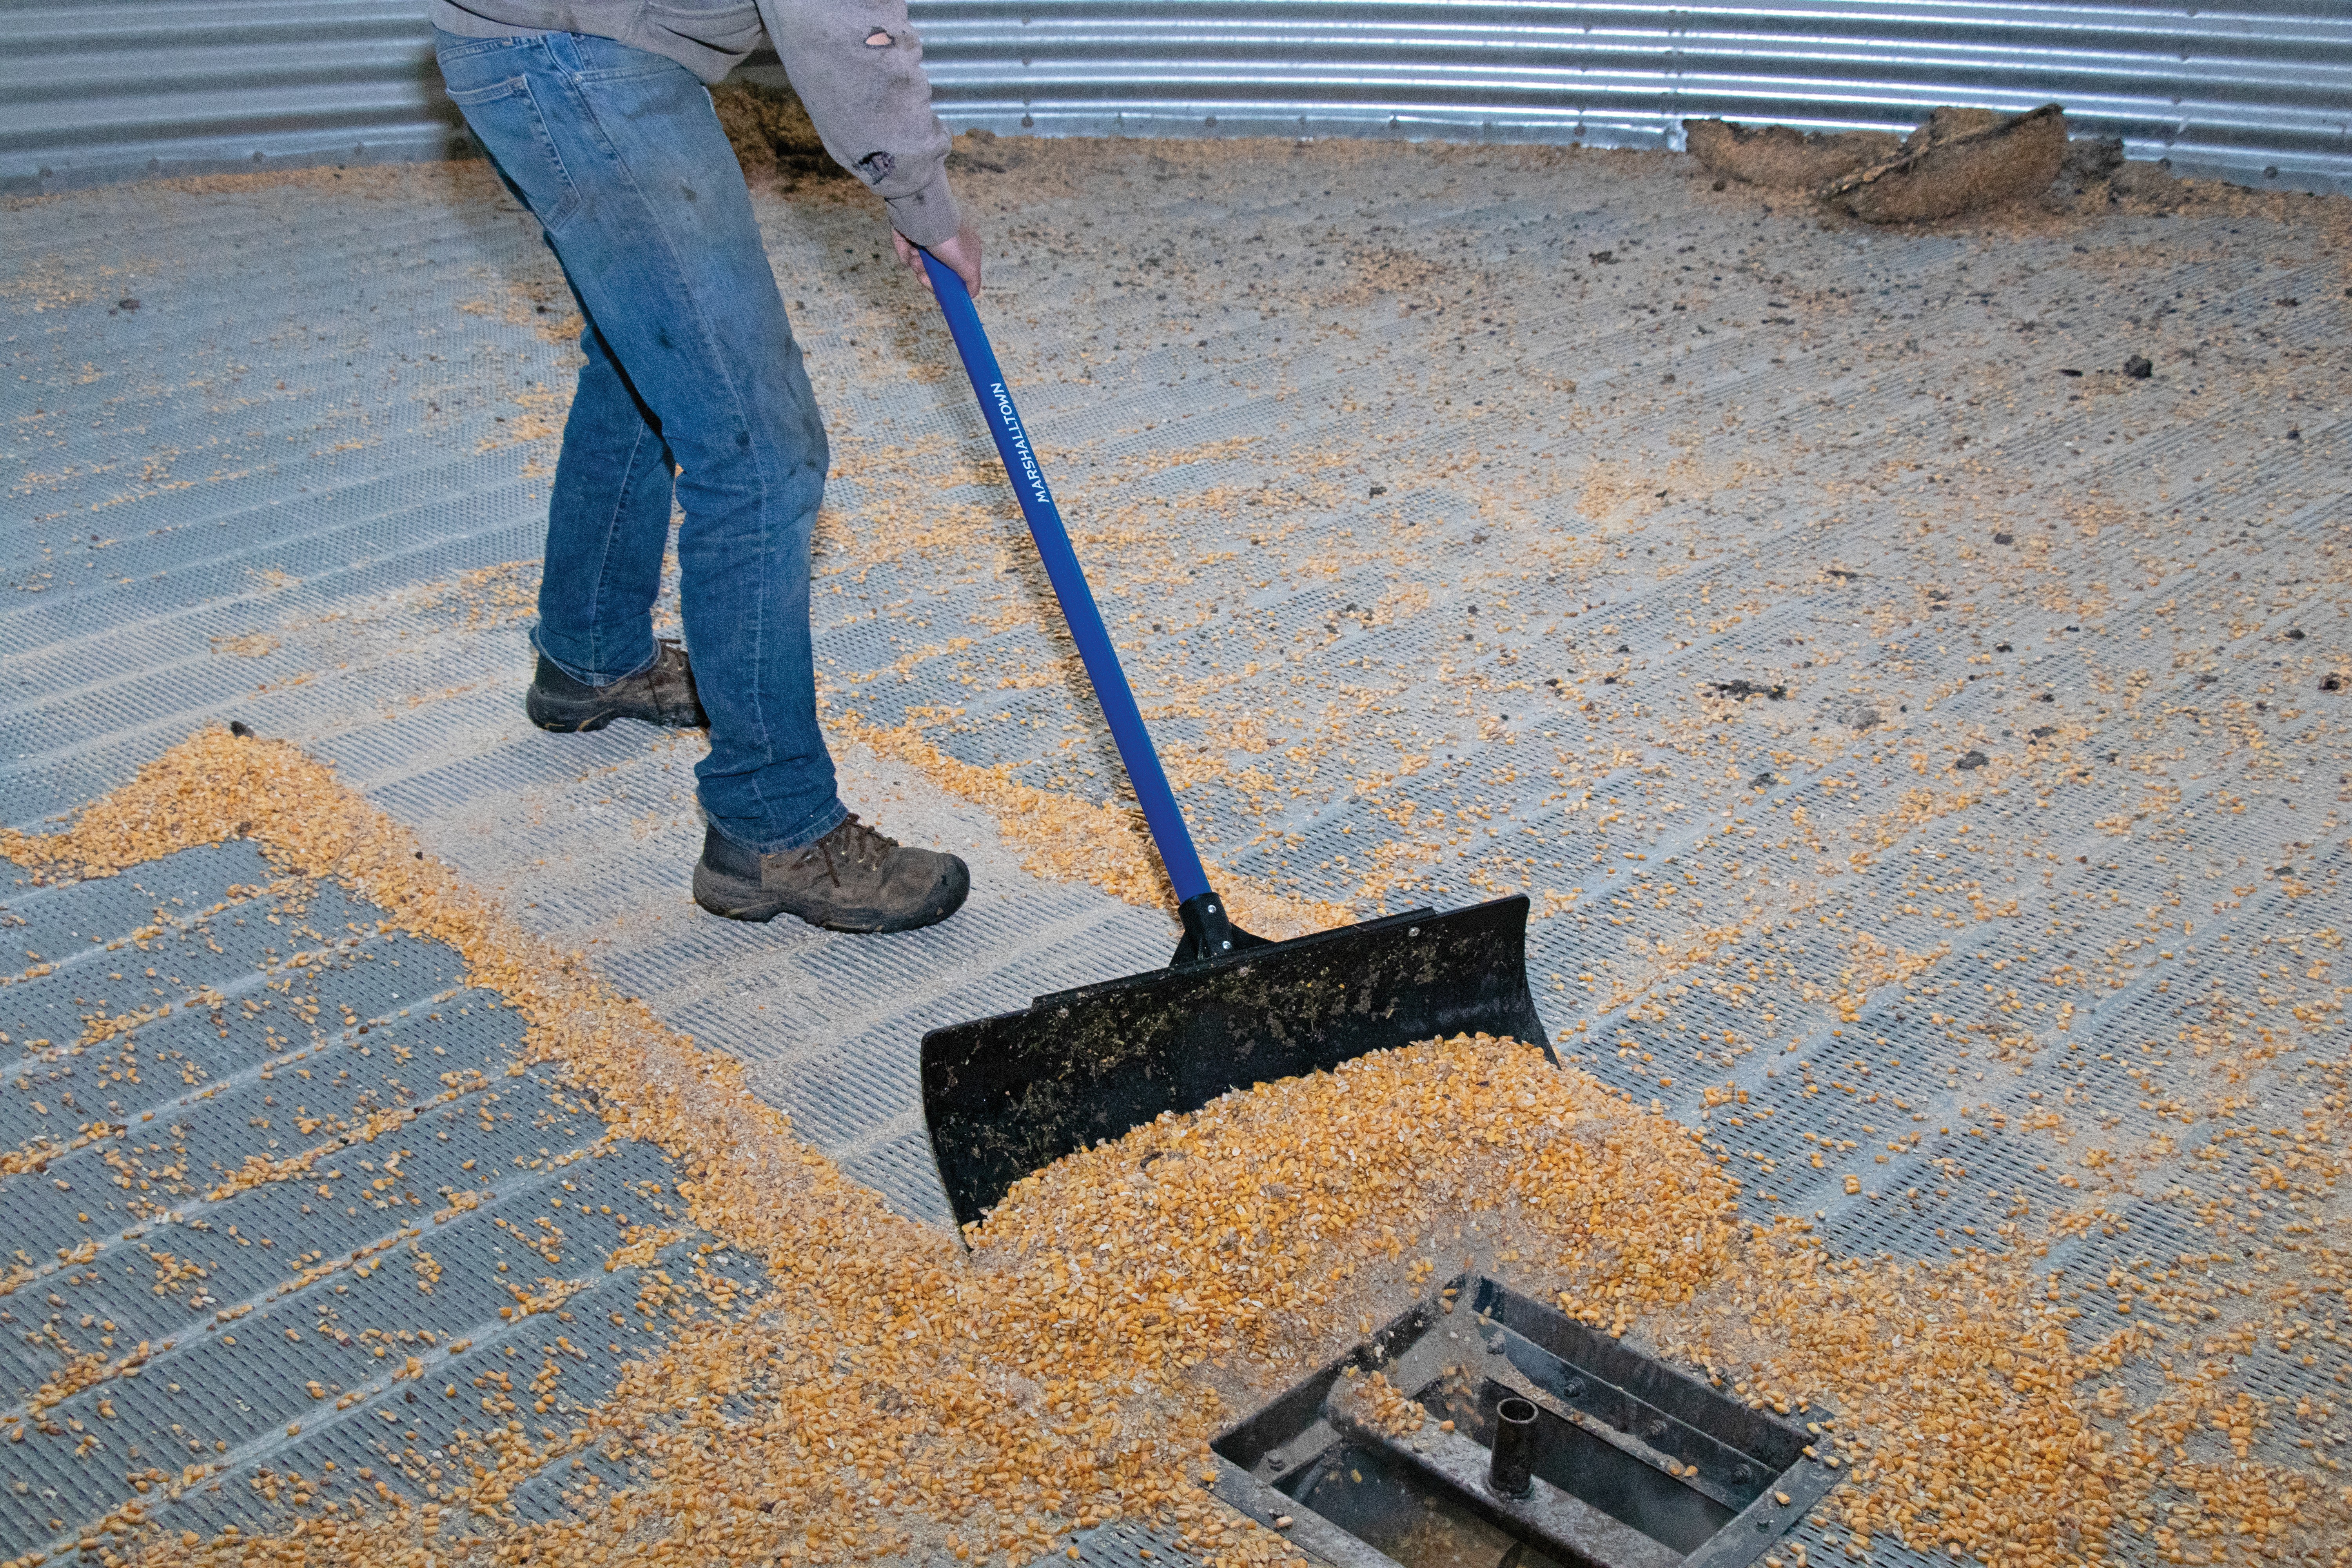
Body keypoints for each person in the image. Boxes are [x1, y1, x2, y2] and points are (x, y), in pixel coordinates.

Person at [430, 0, 980, 933]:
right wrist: (920, 195)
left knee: (647, 352)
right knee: (759, 451)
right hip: (583, 62)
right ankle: (773, 822)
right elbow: (839, 16)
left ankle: (590, 654)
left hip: (519, 40)